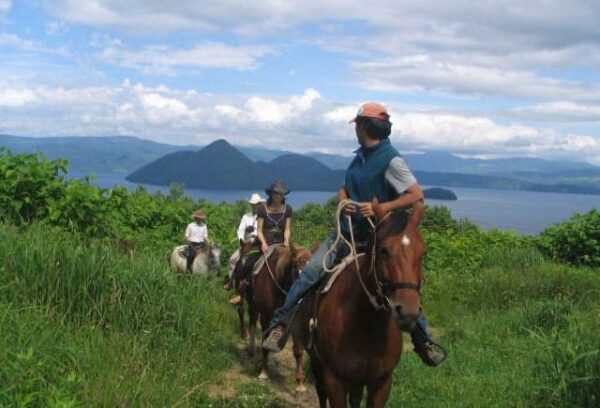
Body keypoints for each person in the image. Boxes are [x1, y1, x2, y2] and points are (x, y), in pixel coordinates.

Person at [262, 102, 447, 367]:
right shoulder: (359, 157)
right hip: (346, 233)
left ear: (365, 126)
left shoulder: (391, 159)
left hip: (377, 237)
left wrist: (379, 209)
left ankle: (423, 339)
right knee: (311, 271)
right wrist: (344, 202)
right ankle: (281, 324)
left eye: (357, 124)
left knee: (400, 284)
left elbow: (416, 195)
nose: (355, 129)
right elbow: (344, 190)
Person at [228, 181, 293, 305]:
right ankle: (243, 292)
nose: (278, 196)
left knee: (296, 263)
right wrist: (263, 243)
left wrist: (286, 240)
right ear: (271, 194)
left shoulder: (288, 209)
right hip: (265, 242)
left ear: (283, 195)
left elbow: (287, 228)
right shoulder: (263, 209)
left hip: (281, 242)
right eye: (275, 193)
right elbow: (259, 230)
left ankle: (297, 295)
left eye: (280, 194)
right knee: (249, 264)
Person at [223, 193, 265, 291]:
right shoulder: (246, 216)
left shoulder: (263, 217)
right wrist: (242, 240)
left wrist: (254, 234)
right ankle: (231, 281)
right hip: (246, 243)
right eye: (253, 205)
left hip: (257, 243)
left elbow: (262, 231)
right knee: (233, 259)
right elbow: (240, 230)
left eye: (257, 204)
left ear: (260, 205)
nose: (255, 206)